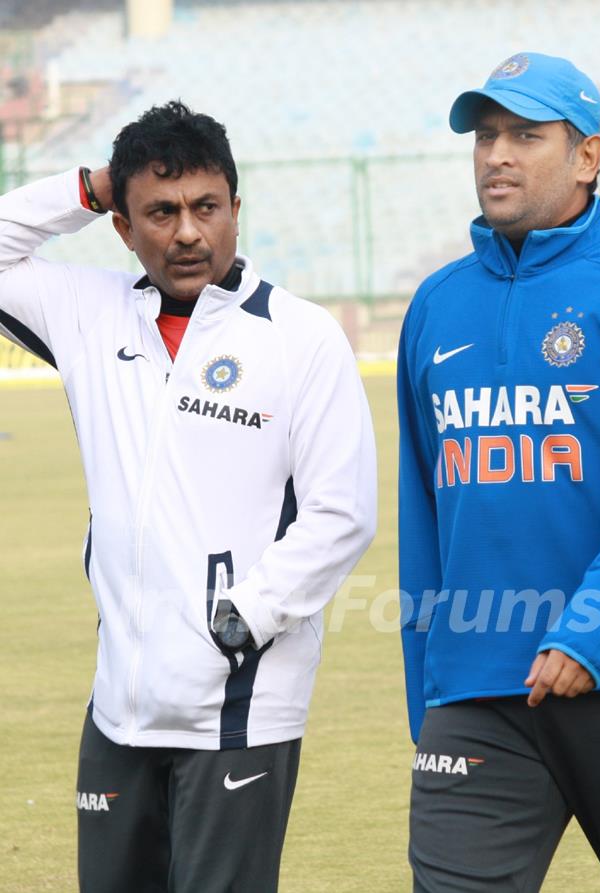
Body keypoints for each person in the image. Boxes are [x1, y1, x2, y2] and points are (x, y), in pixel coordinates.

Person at [0, 100, 376, 893]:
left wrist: (245, 618)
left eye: (207, 207)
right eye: (160, 211)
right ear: (122, 225)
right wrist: (93, 183)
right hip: (119, 708)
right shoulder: (87, 312)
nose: (188, 232)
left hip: (238, 709)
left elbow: (342, 512)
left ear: (237, 208)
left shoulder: (300, 337)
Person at [397, 52, 600, 893]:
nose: (496, 154)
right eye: (485, 135)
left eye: (526, 135)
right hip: (476, 692)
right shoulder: (434, 305)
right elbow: (424, 511)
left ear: (588, 157)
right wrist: (425, 684)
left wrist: (588, 630)